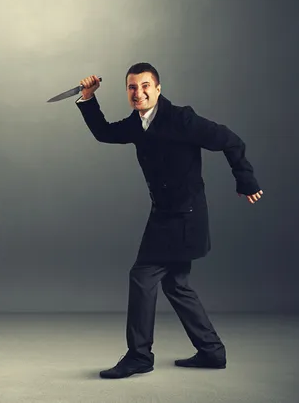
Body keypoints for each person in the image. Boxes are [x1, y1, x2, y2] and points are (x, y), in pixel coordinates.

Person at [75, 63, 263, 379]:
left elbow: (229, 140)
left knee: (142, 276)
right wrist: (88, 98)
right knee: (176, 284)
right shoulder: (137, 123)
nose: (139, 92)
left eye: (146, 85)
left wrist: (246, 180)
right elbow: (105, 132)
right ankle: (212, 351)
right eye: (132, 87)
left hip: (185, 217)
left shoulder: (181, 119)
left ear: (158, 89)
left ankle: (139, 356)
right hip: (163, 214)